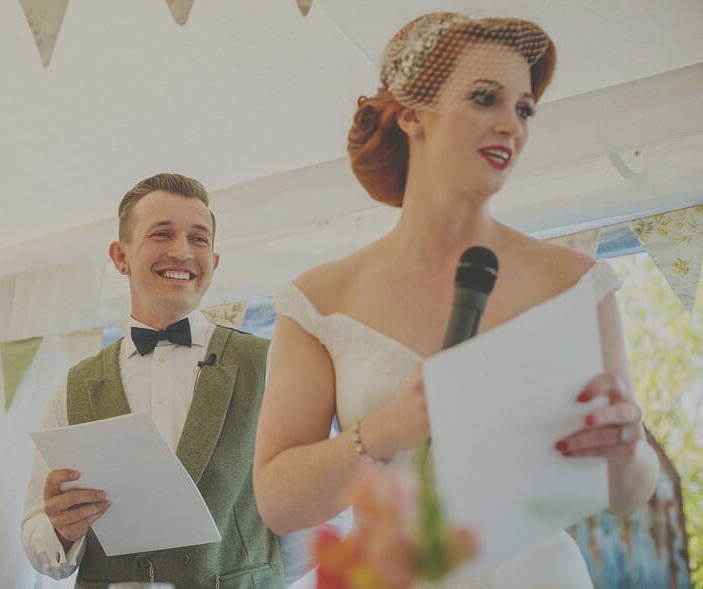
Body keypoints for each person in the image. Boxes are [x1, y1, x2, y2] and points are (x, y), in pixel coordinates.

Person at [253, 12, 659, 588]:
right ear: (411, 113)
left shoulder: (578, 283)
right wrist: (389, 428)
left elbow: (628, 494)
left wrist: (625, 449)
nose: (510, 126)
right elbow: (278, 503)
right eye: (485, 98)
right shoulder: (319, 300)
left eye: (523, 109)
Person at [22, 173, 313, 588]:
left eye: (199, 238)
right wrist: (61, 531)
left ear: (213, 261)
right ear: (120, 257)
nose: (182, 252)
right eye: (162, 234)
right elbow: (38, 539)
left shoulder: (269, 366)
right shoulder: (73, 387)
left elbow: (315, 519)